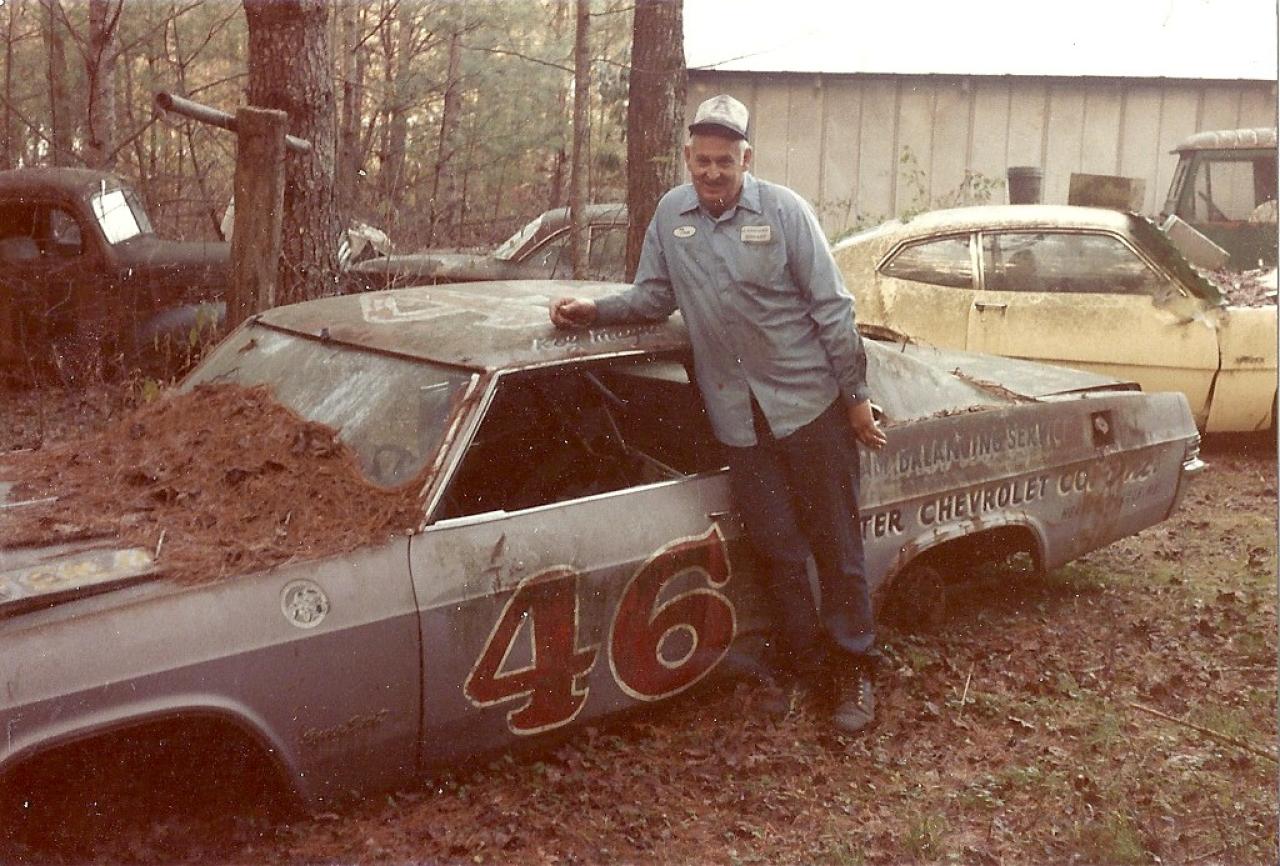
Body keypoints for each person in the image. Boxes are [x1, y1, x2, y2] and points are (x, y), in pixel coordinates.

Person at [549, 94, 888, 734]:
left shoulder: (785, 212)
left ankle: (854, 669)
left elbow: (833, 308)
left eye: (725, 162)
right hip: (737, 418)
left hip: (809, 406)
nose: (712, 172)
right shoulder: (670, 215)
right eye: (702, 160)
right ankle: (805, 667)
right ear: (688, 158)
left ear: (745, 160)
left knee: (836, 543)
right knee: (776, 545)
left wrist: (854, 398)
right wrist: (597, 310)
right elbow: (653, 296)